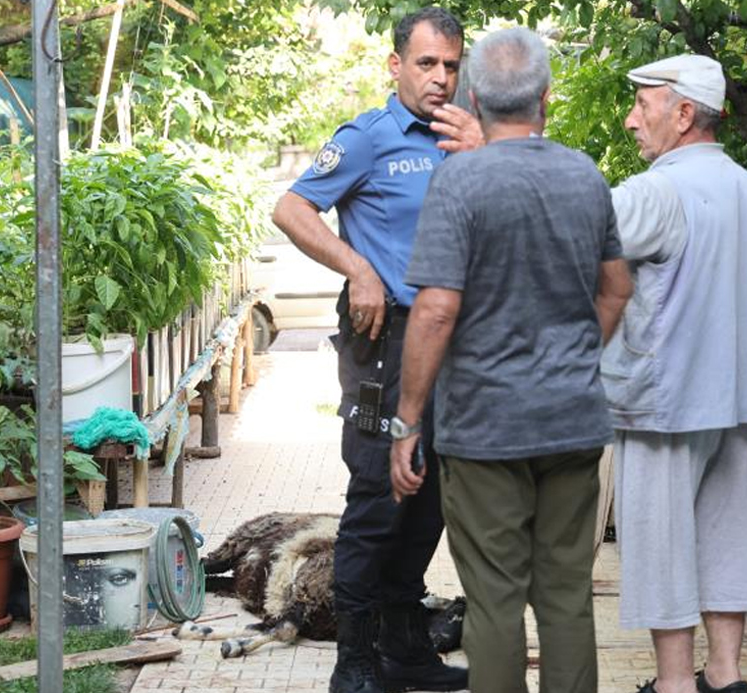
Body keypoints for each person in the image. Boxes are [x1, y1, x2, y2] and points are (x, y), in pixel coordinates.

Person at [389, 26, 634, 693]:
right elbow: (617, 286)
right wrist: (579, 351)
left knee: (494, 599)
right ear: (545, 97)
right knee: (564, 595)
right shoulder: (584, 174)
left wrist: (407, 419)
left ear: (473, 95)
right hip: (572, 420)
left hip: (485, 425)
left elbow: (436, 310)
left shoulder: (460, 181)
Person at [270, 7, 473, 693]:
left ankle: (405, 648)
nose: (441, 79)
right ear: (395, 66)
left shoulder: (470, 136)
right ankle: (354, 660)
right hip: (385, 341)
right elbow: (293, 209)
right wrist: (357, 268)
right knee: (381, 495)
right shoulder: (370, 138)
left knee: (433, 497)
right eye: (426, 64)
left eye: (451, 65)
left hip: (455, 343)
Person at [603, 54, 747, 693]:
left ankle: (676, 684)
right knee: (727, 541)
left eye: (643, 105)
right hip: (734, 405)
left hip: (662, 406)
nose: (632, 120)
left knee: (660, 549)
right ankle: (726, 677)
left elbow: (577, 253)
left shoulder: (654, 191)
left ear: (684, 114)